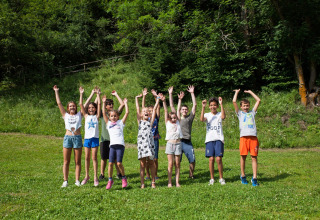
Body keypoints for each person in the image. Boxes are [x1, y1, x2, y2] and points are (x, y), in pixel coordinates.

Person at [53, 85, 83, 188]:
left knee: (77, 161)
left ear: (76, 107)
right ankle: (65, 181)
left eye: (73, 106)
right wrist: (56, 91)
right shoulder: (65, 115)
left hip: (77, 138)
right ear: (68, 108)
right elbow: (59, 103)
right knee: (66, 161)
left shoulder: (80, 114)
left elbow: (84, 104)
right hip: (68, 138)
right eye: (70, 106)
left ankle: (77, 180)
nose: (72, 107)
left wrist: (81, 94)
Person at [92, 90, 124, 181]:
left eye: (111, 103)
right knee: (104, 158)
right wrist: (98, 96)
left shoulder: (115, 114)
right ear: (105, 106)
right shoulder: (103, 114)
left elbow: (122, 105)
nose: (111, 105)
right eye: (108, 104)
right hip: (104, 139)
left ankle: (119, 173)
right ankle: (102, 174)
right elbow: (94, 106)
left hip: (114, 140)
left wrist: (116, 94)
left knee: (114, 159)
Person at [232, 89, 261, 186]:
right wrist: (236, 92)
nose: (246, 107)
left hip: (253, 138)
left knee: (254, 157)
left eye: (247, 105)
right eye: (244, 106)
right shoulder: (239, 113)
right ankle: (243, 175)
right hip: (243, 138)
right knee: (243, 157)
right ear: (241, 107)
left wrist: (250, 92)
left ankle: (255, 178)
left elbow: (258, 101)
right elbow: (234, 101)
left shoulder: (252, 113)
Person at [169, 86, 196, 179]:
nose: (184, 110)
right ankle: (176, 176)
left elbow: (195, 106)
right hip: (179, 142)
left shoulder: (190, 118)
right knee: (176, 161)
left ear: (187, 111)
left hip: (187, 142)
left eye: (186, 109)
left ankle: (191, 175)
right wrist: (171, 94)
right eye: (182, 109)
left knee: (192, 160)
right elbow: (172, 106)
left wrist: (192, 93)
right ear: (180, 111)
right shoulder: (177, 119)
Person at [102, 95, 129, 189]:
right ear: (109, 117)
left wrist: (126, 104)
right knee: (110, 163)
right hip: (112, 146)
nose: (113, 117)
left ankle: (124, 178)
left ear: (118, 117)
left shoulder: (120, 123)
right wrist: (103, 103)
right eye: (111, 116)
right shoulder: (108, 124)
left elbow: (127, 112)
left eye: (115, 116)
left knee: (118, 163)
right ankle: (110, 180)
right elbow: (103, 113)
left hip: (120, 145)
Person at [135, 92, 160, 188]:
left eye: (147, 111)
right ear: (141, 114)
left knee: (151, 162)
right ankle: (142, 183)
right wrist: (137, 98)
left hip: (150, 145)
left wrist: (157, 99)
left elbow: (154, 110)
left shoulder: (150, 122)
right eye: (144, 111)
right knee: (142, 164)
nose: (146, 112)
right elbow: (137, 108)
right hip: (142, 146)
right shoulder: (140, 122)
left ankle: (153, 182)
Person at [200, 97, 226, 185]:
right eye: (211, 105)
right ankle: (212, 178)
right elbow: (201, 119)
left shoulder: (219, 114)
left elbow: (223, 116)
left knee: (218, 159)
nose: (213, 107)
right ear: (209, 106)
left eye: (214, 105)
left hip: (219, 139)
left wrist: (222, 104)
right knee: (211, 159)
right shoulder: (207, 114)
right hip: (209, 139)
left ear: (217, 106)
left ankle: (221, 178)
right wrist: (203, 107)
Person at [159, 93, 183, 187]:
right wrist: (164, 101)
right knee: (170, 164)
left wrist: (180, 100)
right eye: (171, 118)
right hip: (170, 144)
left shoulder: (178, 122)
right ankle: (169, 182)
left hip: (178, 144)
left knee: (177, 164)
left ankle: (177, 182)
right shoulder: (167, 123)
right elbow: (165, 110)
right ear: (169, 118)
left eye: (174, 118)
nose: (173, 119)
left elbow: (177, 109)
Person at [79, 87, 101, 187]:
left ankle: (95, 177)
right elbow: (81, 105)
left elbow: (99, 104)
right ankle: (87, 176)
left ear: (95, 109)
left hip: (95, 139)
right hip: (87, 139)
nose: (91, 109)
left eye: (93, 107)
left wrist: (98, 95)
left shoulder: (97, 117)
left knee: (94, 158)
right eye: (89, 108)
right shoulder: (86, 116)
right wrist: (82, 94)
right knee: (87, 158)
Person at [142, 88, 161, 180]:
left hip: (155, 139)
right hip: (146, 140)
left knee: (155, 158)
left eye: (151, 110)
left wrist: (156, 96)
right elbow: (142, 107)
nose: (150, 111)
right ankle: (148, 175)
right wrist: (144, 96)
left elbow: (157, 107)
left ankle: (155, 174)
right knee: (146, 159)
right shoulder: (145, 119)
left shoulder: (156, 118)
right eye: (148, 110)